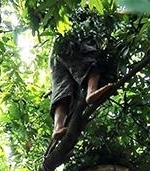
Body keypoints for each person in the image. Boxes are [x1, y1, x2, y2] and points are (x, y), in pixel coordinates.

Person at [49, 10, 116, 143]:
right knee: (90, 63)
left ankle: (58, 127)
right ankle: (91, 92)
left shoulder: (65, 12)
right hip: (71, 41)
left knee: (62, 91)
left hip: (56, 49)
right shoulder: (87, 16)